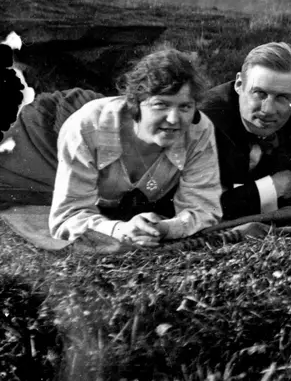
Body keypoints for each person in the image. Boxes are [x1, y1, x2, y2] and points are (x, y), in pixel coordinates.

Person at [49, 48, 222, 246]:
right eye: (161, 104)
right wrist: (118, 230)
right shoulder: (87, 127)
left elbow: (204, 208)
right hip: (49, 151)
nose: (174, 119)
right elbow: (66, 217)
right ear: (136, 102)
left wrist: (165, 229)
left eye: (184, 107)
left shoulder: (199, 130)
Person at [199, 42, 291, 219]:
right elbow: (206, 206)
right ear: (239, 84)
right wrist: (276, 186)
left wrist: (245, 195)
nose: (268, 110)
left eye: (282, 97)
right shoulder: (206, 121)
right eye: (259, 93)